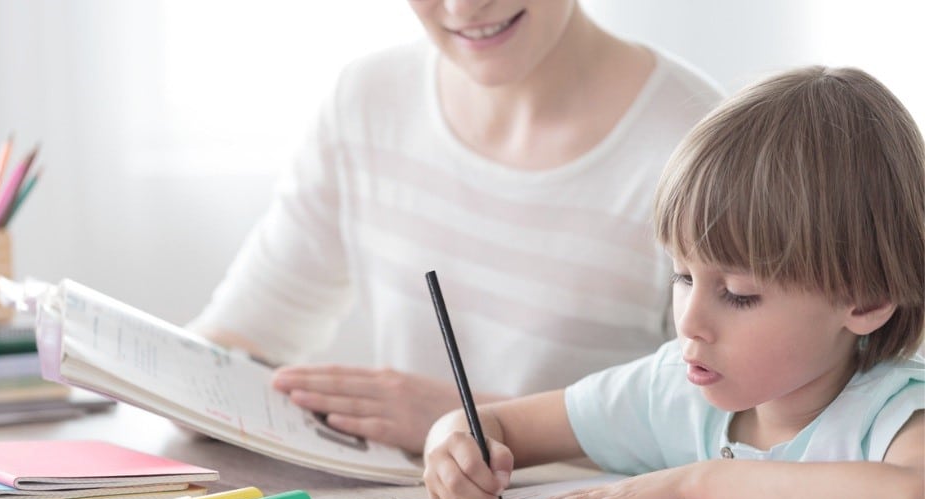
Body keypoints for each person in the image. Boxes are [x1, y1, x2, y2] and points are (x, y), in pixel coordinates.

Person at [422, 66, 925, 499]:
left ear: (867, 299)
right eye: (683, 277)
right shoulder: (671, 390)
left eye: (738, 293)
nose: (689, 322)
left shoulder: (895, 414)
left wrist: (700, 485)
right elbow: (492, 425)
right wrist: (454, 450)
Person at [189, 1, 723, 452]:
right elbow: (246, 330)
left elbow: (730, 434)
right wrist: (174, 386)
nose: (462, 8)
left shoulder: (701, 149)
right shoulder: (367, 100)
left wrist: (470, 419)